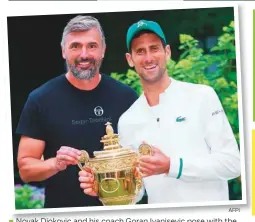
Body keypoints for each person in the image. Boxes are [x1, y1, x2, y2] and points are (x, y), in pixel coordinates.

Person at [80, 19, 241, 204]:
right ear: (130, 59)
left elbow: (232, 164)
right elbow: (136, 192)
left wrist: (172, 166)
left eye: (154, 48)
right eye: (140, 51)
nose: (148, 58)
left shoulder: (202, 96)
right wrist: (105, 187)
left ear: (167, 52)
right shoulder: (128, 120)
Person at [16, 15, 138, 208]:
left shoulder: (127, 97)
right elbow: (25, 169)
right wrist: (55, 163)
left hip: (121, 210)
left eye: (92, 46)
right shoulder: (41, 99)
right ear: (63, 51)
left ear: (103, 50)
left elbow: (143, 158)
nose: (84, 54)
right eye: (75, 46)